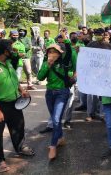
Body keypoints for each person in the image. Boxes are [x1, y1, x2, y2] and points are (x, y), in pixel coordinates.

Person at [0, 40, 34, 173]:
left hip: (14, 103)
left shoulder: (7, 63)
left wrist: (22, 91)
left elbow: (14, 79)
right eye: (11, 48)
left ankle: (20, 147)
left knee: (18, 126)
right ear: (4, 51)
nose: (13, 50)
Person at [37, 31, 74, 160]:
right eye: (50, 52)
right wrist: (48, 65)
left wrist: (66, 40)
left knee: (56, 119)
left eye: (55, 52)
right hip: (49, 94)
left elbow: (69, 51)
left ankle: (53, 146)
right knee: (55, 118)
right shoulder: (45, 63)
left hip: (62, 93)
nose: (52, 54)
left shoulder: (63, 62)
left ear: (59, 54)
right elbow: (40, 77)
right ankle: (61, 138)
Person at [85, 28, 111, 122]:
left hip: (104, 74)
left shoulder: (108, 46)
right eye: (96, 34)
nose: (97, 35)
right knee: (91, 95)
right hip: (92, 74)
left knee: (103, 95)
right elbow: (85, 57)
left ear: (103, 35)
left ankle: (102, 114)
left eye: (99, 34)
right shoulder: (90, 44)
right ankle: (90, 114)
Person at [18, 25, 35, 90]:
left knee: (28, 72)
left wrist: (21, 48)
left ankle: (30, 84)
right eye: (20, 31)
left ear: (25, 32)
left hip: (26, 57)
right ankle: (18, 86)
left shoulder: (27, 39)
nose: (21, 32)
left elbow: (29, 47)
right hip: (18, 58)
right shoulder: (17, 39)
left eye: (23, 31)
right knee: (18, 72)